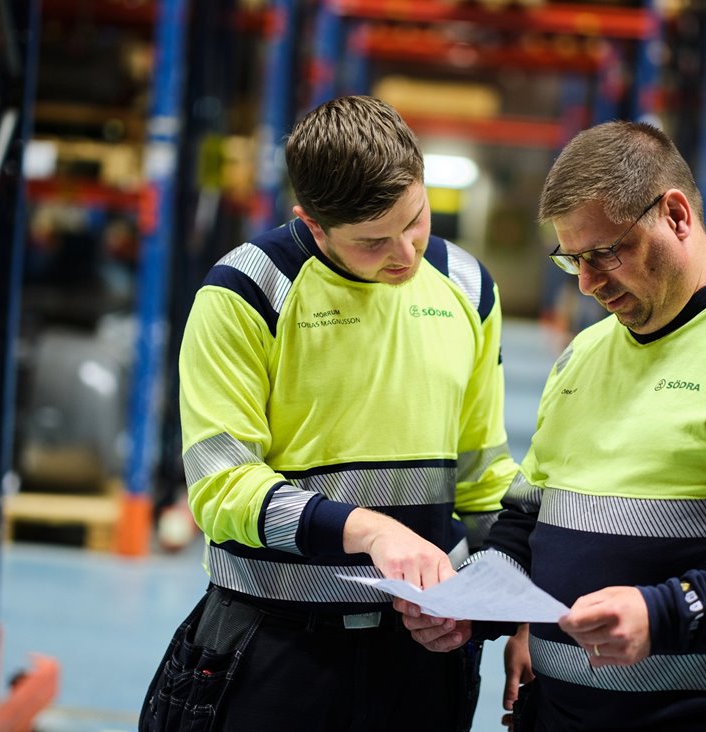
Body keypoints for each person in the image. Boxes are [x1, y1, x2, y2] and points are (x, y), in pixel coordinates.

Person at [398, 120, 706, 731]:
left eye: (605, 253)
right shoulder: (584, 355)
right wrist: (470, 606)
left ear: (676, 215)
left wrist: (667, 613)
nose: (588, 282)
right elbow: (528, 524)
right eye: (572, 258)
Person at [139, 95, 517, 731]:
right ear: (312, 225)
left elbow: (484, 478)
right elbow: (221, 484)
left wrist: (513, 615)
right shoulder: (246, 294)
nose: (406, 253)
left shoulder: (469, 288)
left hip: (421, 660)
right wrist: (367, 531)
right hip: (277, 648)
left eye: (415, 218)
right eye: (373, 242)